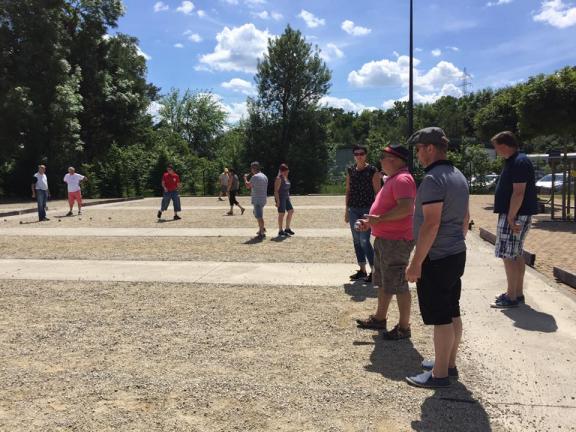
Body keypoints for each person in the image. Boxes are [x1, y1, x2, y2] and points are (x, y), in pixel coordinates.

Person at [404, 127, 470, 389]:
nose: (418, 154)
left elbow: (430, 224)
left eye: (419, 149)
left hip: (438, 256)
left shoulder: (433, 179)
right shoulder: (458, 176)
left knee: (440, 316)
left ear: (430, 148)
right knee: (452, 310)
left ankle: (440, 374)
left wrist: (416, 261)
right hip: (455, 252)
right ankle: (448, 362)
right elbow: (465, 219)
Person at [355, 145, 416, 340]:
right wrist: (371, 222)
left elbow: (406, 208)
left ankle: (404, 327)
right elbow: (387, 210)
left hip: (397, 240)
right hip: (386, 239)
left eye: (384, 157)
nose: (380, 160)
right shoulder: (394, 179)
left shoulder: (402, 179)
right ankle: (380, 318)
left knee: (398, 283)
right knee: (384, 282)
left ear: (396, 160)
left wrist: (378, 219)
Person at [491, 131, 538, 308]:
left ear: (504, 145)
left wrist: (511, 217)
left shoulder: (518, 162)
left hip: (515, 214)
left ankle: (510, 297)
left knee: (508, 255)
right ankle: (517, 293)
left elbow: (519, 192)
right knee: (516, 253)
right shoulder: (517, 161)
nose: (496, 151)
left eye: (496, 147)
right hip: (517, 214)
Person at [345, 144, 382, 282]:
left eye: (361, 153)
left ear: (366, 155)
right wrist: (346, 211)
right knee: (356, 240)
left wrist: (376, 213)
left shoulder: (373, 170)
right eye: (356, 154)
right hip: (353, 209)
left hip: (367, 210)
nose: (359, 156)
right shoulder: (350, 170)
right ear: (354, 155)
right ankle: (362, 269)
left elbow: (378, 193)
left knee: (364, 240)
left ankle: (375, 271)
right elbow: (348, 191)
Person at [244, 161, 268, 238]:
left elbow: (248, 186)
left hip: (257, 199)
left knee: (259, 216)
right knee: (256, 213)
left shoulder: (255, 177)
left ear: (253, 168)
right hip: (263, 199)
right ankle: (261, 228)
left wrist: (245, 178)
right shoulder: (264, 176)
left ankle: (262, 232)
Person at [274, 163, 295, 237]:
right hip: (281, 198)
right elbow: (276, 191)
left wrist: (288, 196)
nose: (287, 172)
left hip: (286, 197)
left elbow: (287, 188)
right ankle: (280, 230)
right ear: (282, 171)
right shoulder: (279, 178)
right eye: (286, 171)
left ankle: (287, 228)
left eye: (287, 171)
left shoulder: (286, 177)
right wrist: (277, 201)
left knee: (291, 211)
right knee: (281, 213)